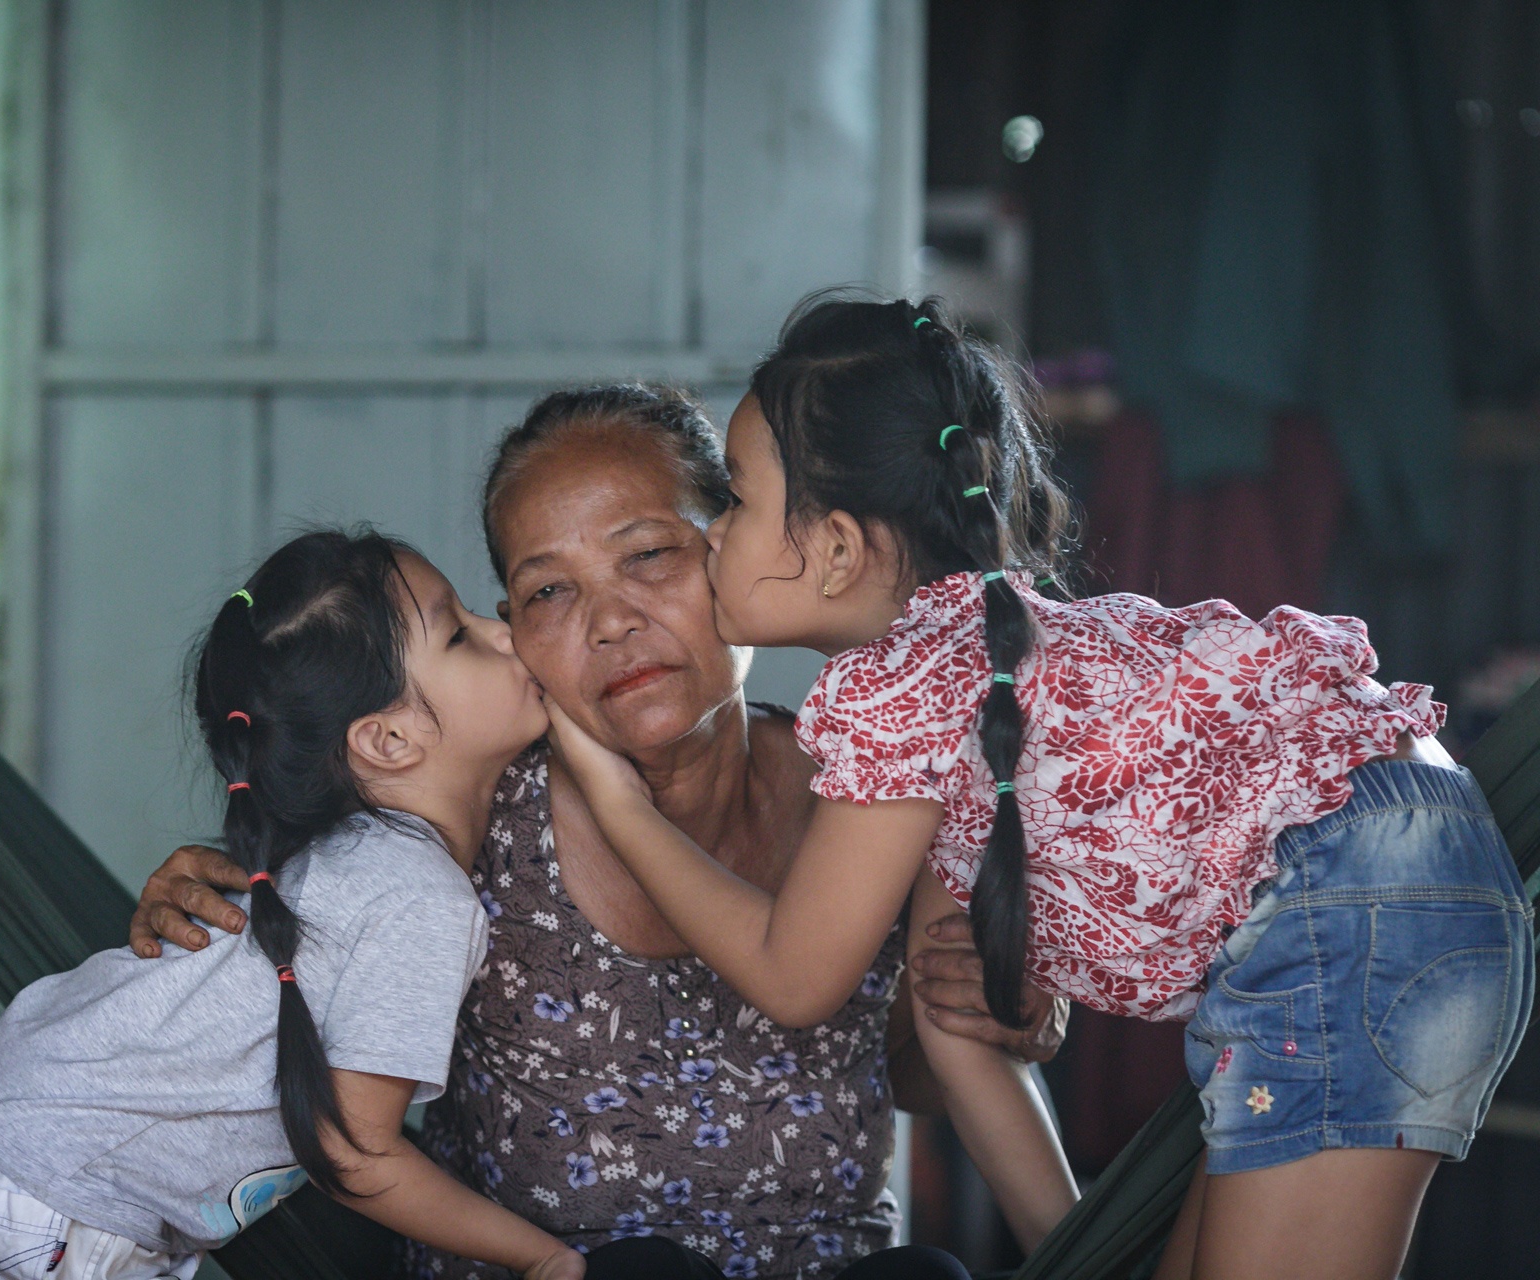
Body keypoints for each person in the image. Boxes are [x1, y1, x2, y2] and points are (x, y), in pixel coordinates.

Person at [546, 293, 1535, 1280]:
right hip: (1387, 889)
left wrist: (618, 802)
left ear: (838, 547)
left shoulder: (899, 683)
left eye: (738, 499)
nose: (712, 534)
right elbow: (958, 1020)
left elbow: (794, 975)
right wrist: (1077, 1260)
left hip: (1348, 904)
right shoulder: (993, 675)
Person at [131, 385, 1070, 1279]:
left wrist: (1001, 1015)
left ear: (734, 551)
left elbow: (907, 1072)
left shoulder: (869, 796)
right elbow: (287, 958)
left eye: (648, 555)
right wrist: (207, 887)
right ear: (512, 637)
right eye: (549, 593)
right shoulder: (456, 835)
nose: (613, 623)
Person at [0, 531, 584, 1280]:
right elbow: (355, 1154)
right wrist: (545, 1258)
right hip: (51, 1187)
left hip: (14, 1136)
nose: (503, 629)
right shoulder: (420, 899)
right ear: (388, 739)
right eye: (460, 635)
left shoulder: (360, 857)